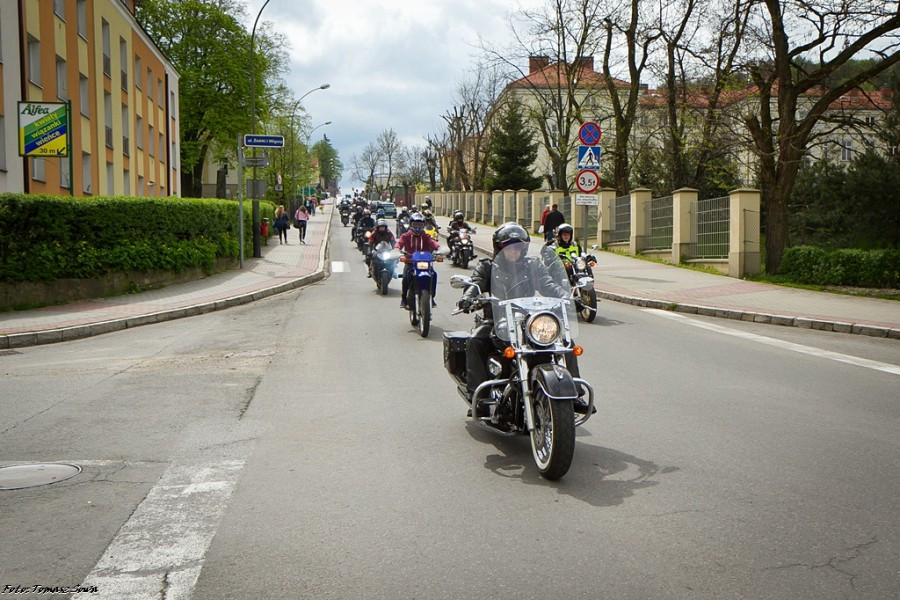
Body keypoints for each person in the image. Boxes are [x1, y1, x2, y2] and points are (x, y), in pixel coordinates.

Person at [457, 222, 586, 416]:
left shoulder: (532, 265)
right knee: (475, 340)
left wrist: (567, 297)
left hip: (528, 321)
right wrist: (468, 298)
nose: (513, 250)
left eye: (518, 246)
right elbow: (475, 284)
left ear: (523, 247)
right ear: (499, 247)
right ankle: (478, 396)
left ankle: (574, 393)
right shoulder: (488, 266)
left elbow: (548, 284)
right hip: (497, 321)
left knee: (565, 341)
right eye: (508, 245)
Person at [396, 212, 440, 309]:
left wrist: (439, 249)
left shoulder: (426, 236)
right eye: (415, 224)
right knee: (406, 279)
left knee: (433, 275)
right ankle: (404, 299)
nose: (417, 227)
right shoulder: (406, 236)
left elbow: (433, 243)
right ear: (411, 224)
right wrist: (397, 249)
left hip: (424, 262)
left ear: (423, 225)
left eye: (420, 224)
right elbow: (399, 243)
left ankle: (431, 297)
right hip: (411, 262)